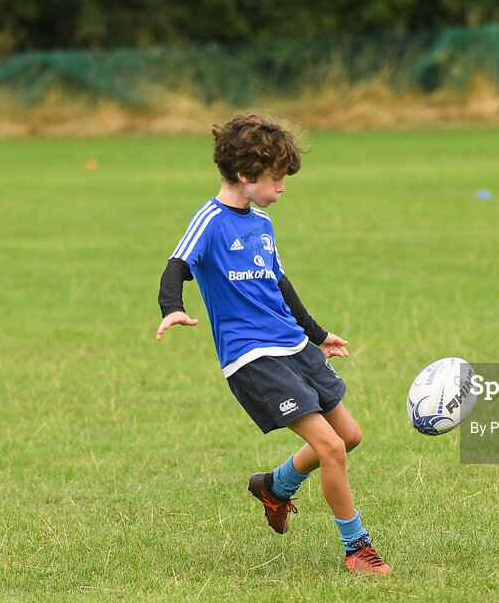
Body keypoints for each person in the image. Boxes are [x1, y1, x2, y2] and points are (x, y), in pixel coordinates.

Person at [156, 113, 391, 573]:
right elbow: (175, 265)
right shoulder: (209, 220)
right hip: (252, 356)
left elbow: (279, 284)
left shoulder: (261, 222)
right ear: (244, 176)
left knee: (349, 436)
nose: (282, 188)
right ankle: (356, 548)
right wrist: (172, 308)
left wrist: (318, 335)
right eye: (276, 179)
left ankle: (275, 487)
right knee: (331, 448)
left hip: (292, 344)